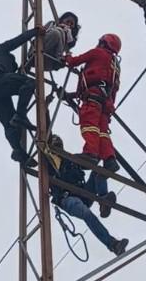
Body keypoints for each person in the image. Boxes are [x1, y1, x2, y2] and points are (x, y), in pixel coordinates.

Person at [46, 135, 128, 256]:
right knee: (86, 213)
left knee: (98, 171)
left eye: (58, 146)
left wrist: (100, 150)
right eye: (55, 146)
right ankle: (113, 244)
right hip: (67, 198)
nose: (58, 149)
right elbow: (43, 146)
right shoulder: (49, 164)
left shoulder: (71, 160)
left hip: (83, 193)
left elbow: (90, 162)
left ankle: (104, 200)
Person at [0, 27, 40, 164]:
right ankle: (21, 115)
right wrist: (35, 31)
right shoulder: (0, 50)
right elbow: (17, 41)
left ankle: (18, 151)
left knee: (9, 123)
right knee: (28, 83)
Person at [63, 32, 121, 174]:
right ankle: (109, 159)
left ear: (103, 43)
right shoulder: (115, 67)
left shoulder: (97, 53)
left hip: (93, 97)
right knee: (102, 132)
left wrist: (67, 56)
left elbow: (74, 62)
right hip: (105, 102)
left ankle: (91, 154)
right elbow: (113, 89)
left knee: (89, 125)